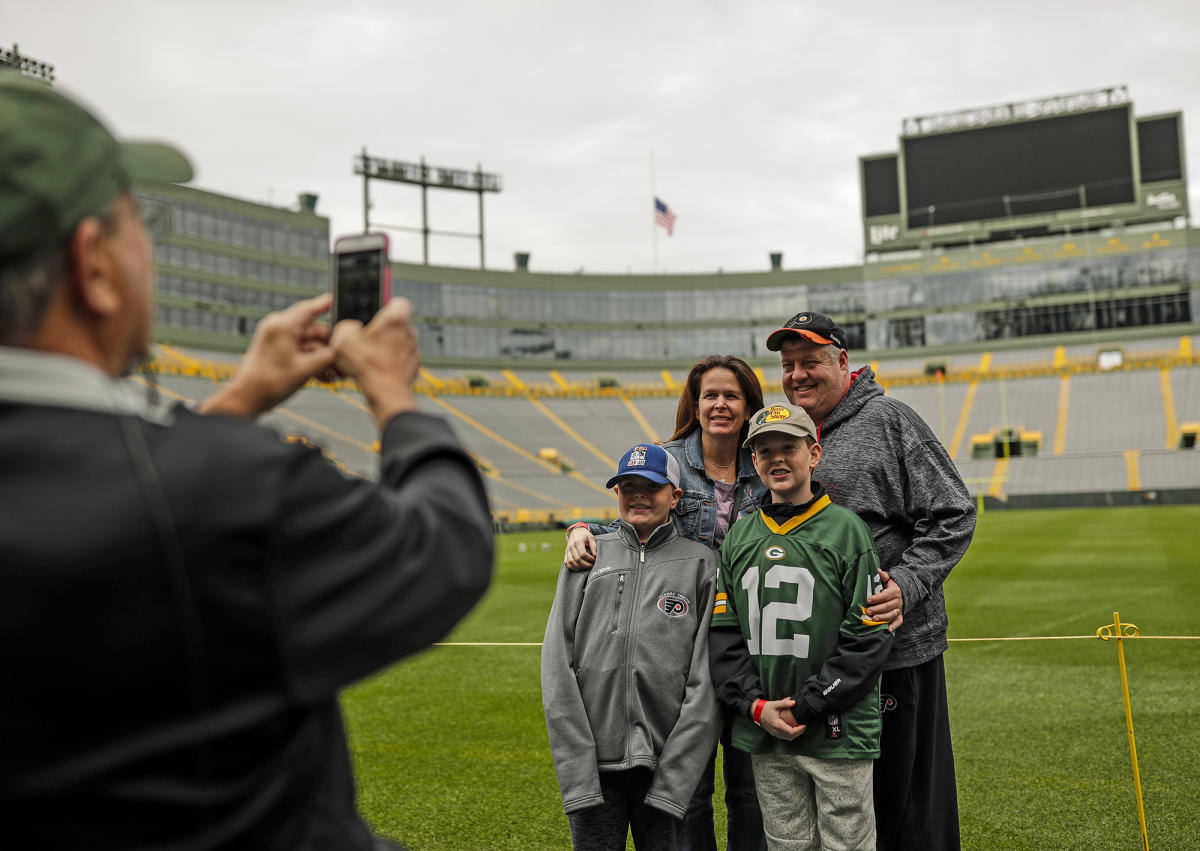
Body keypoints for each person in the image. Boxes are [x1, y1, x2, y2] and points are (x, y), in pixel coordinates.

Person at [0, 74, 494, 849]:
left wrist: (238, 397)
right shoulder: (237, 488)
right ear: (92, 266)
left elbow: (131, 501)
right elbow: (444, 550)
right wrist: (396, 396)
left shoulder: (188, 481)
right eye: (140, 223)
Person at [765, 311, 976, 851]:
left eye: (810, 362)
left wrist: (906, 584)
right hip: (819, 661)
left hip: (898, 654)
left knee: (908, 808)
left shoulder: (889, 420)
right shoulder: (784, 435)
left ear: (842, 361)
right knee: (844, 811)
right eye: (788, 365)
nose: (797, 375)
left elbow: (954, 511)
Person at [563, 354, 769, 850]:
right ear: (694, 405)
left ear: (748, 405)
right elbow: (634, 519)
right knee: (688, 788)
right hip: (681, 639)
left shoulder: (764, 459)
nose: (720, 404)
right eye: (710, 395)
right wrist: (581, 529)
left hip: (751, 644)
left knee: (750, 788)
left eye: (732, 395)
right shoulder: (670, 458)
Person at [710, 403, 892, 850]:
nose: (776, 458)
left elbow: (868, 638)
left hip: (837, 730)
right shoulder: (739, 536)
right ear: (752, 460)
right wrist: (756, 706)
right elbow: (723, 635)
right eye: (764, 449)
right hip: (767, 732)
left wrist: (809, 704)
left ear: (814, 454)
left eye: (788, 447)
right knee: (785, 843)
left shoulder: (847, 531)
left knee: (846, 843)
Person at [542, 443, 722, 850]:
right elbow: (557, 667)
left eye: (651, 486)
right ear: (616, 492)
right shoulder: (587, 558)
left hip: (663, 768)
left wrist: (676, 777)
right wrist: (578, 770)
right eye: (627, 486)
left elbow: (705, 680)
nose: (638, 494)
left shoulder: (701, 564)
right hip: (594, 770)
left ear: (675, 496)